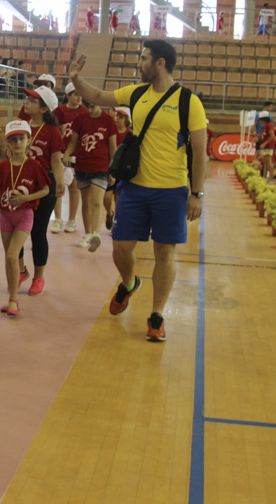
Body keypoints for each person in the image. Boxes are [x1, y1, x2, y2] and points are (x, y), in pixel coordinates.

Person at [68, 39, 207, 342]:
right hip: (133, 188)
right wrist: (76, 79)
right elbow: (99, 95)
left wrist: (197, 193)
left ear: (160, 63)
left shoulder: (189, 101)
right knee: (120, 248)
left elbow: (200, 149)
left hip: (171, 191)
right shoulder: (136, 93)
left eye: (144, 58)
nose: (138, 63)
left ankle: (157, 315)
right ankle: (130, 283)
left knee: (164, 253)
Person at [0, 120, 51, 318]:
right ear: (7, 142)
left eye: (21, 139)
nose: (17, 143)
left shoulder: (34, 166)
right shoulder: (2, 167)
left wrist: (26, 198)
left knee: (11, 255)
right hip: (5, 216)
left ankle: (14, 301)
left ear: (28, 141)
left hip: (25, 215)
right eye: (13, 139)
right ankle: (11, 298)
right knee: (10, 259)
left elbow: (46, 190)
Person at [15, 86, 65, 296]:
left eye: (32, 100)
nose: (26, 101)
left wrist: (60, 182)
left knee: (37, 231)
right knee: (15, 231)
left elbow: (56, 161)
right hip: (21, 182)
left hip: (44, 184)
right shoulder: (21, 127)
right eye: (27, 98)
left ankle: (38, 277)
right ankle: (20, 270)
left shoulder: (52, 131)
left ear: (44, 108)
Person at [64, 99, 117, 252]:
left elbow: (113, 148)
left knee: (96, 200)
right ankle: (87, 233)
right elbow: (74, 141)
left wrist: (113, 170)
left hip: (101, 167)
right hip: (82, 165)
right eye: (87, 107)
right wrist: (67, 153)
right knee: (85, 202)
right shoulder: (80, 119)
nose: (89, 110)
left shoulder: (108, 120)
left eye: (92, 106)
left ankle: (95, 233)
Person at [52, 81, 85, 234]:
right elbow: (53, 130)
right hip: (60, 152)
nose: (79, 97)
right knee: (59, 185)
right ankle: (58, 219)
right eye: (75, 94)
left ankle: (71, 220)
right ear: (67, 95)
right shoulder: (60, 111)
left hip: (77, 153)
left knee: (75, 187)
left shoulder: (84, 111)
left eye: (80, 94)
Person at [103, 105, 132, 231]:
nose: (117, 119)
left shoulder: (130, 135)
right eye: (117, 116)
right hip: (111, 171)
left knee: (118, 198)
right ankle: (109, 213)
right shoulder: (110, 132)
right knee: (106, 197)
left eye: (121, 117)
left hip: (123, 172)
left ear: (127, 120)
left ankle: (117, 223)